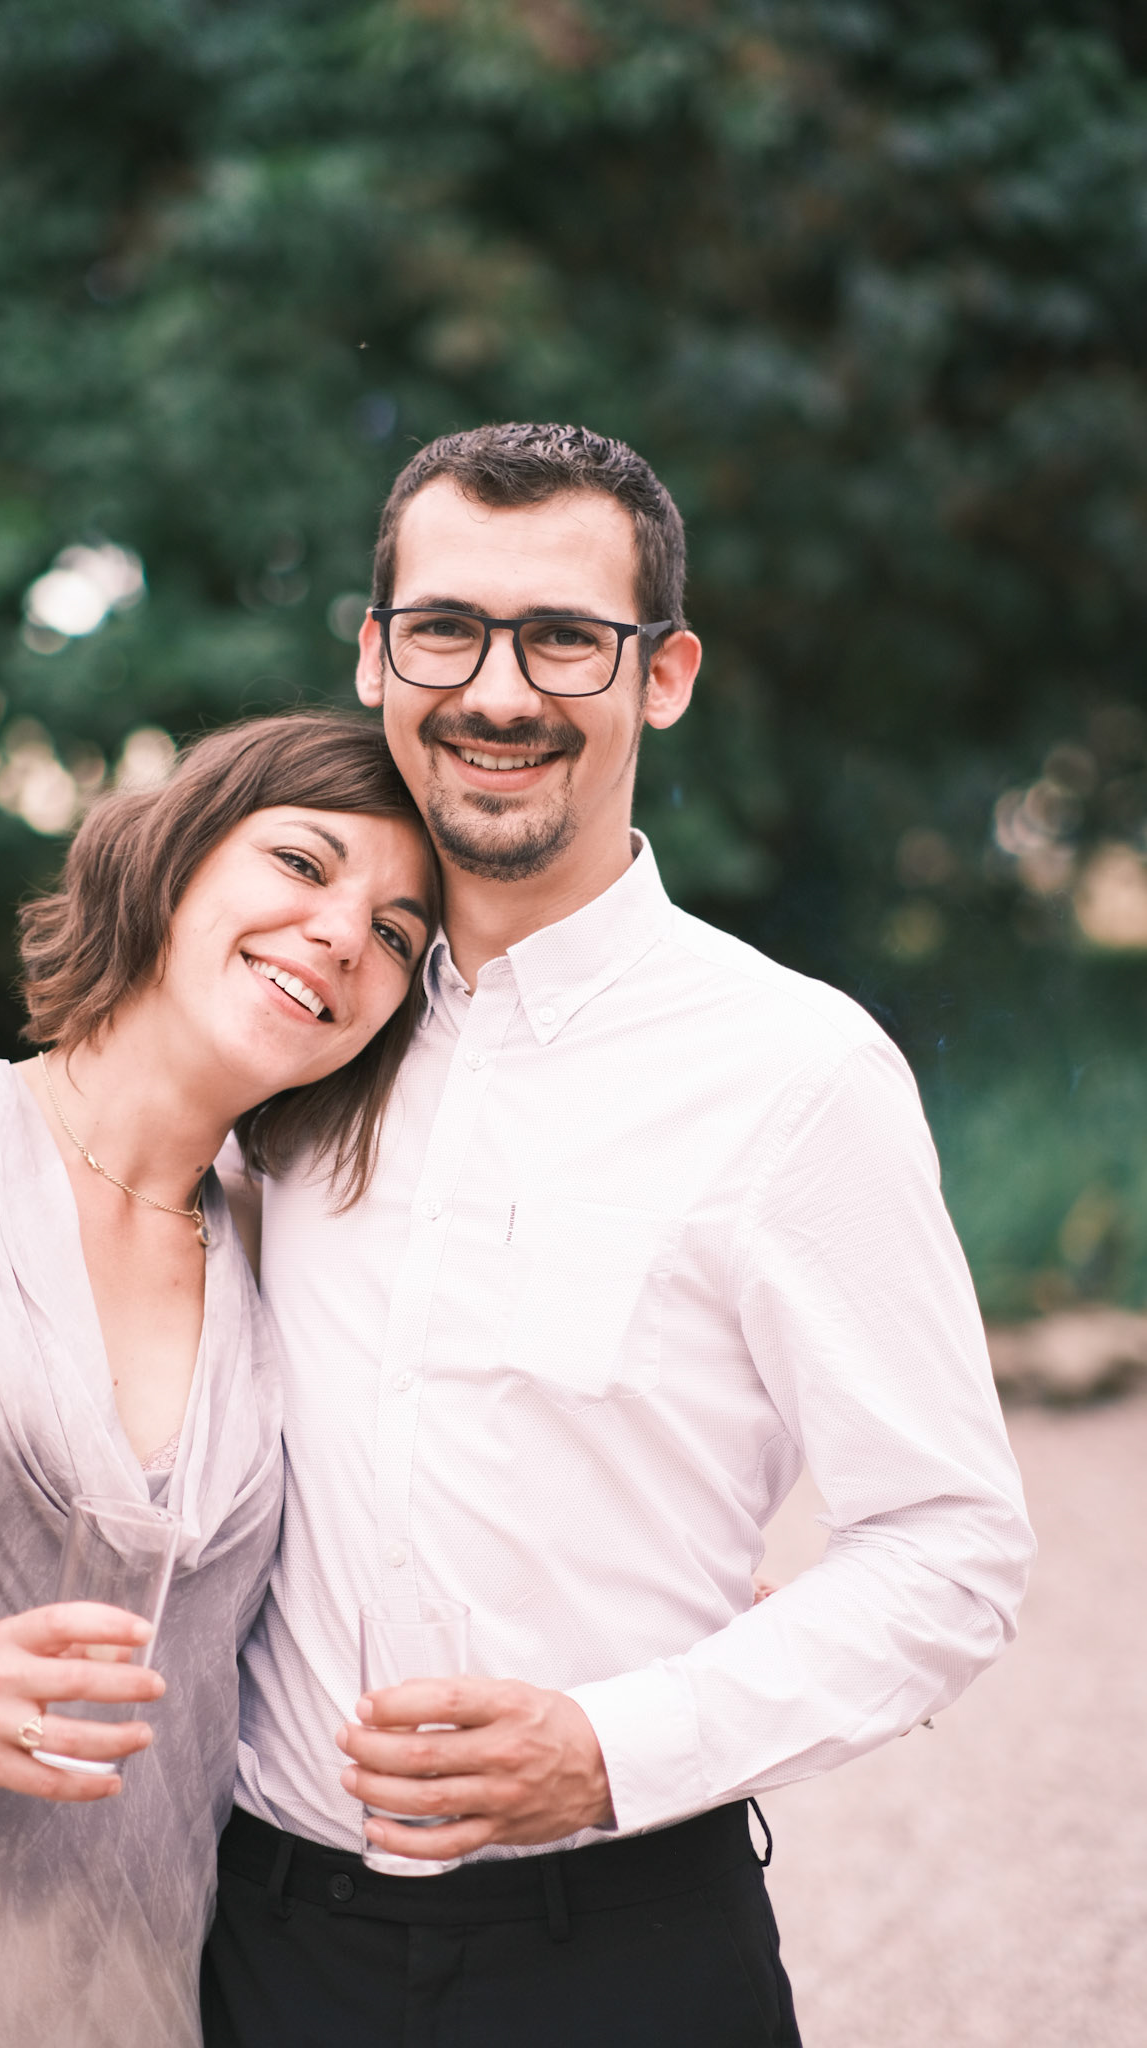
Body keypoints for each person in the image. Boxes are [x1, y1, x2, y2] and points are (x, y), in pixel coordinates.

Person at [201, 425, 1036, 2047]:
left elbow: (948, 1549)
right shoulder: (295, 1020)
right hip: (254, 1949)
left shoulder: (792, 1072)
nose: (496, 692)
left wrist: (609, 1747)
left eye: (563, 639)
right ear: (374, 657)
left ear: (662, 676)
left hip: (619, 1954)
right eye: (446, 630)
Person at [0, 711, 438, 2048]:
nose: (339, 935)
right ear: (174, 859)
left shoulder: (290, 1254)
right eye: (302, 864)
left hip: (134, 2007)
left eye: (394, 933)